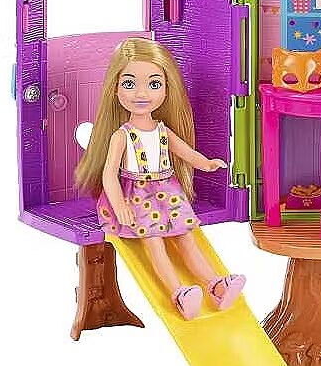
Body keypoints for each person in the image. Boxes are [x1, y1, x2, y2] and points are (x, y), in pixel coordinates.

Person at [75, 37, 245, 319]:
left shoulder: (163, 130)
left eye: (154, 84)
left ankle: (216, 284)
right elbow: (109, 174)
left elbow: (186, 153)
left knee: (186, 236)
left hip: (168, 191)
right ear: (115, 88)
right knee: (153, 241)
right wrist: (120, 205)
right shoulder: (122, 135)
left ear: (167, 88)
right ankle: (179, 293)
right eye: (129, 84)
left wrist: (206, 163)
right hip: (136, 195)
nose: (141, 94)